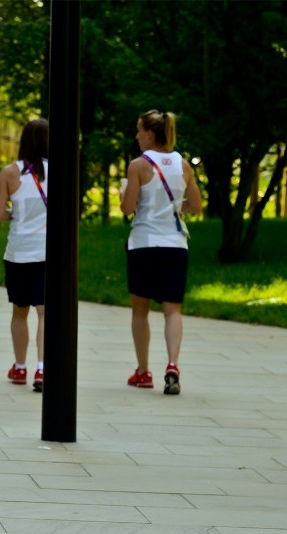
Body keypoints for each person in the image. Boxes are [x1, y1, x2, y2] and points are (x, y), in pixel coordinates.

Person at [120, 109, 202, 395]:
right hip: (175, 245)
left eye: (139, 130)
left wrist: (125, 195)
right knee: (172, 309)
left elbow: (128, 208)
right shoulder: (183, 164)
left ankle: (143, 372)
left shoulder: (138, 165)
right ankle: (173, 364)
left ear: (150, 133)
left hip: (144, 243)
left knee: (140, 309)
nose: (136, 135)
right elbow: (195, 205)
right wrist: (174, 207)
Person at [0, 119, 49, 393]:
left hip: (18, 251)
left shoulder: (9, 172)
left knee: (20, 311)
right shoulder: (60, 171)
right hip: (47, 251)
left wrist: (18, 213)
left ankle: (20, 366)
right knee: (44, 312)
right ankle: (43, 368)